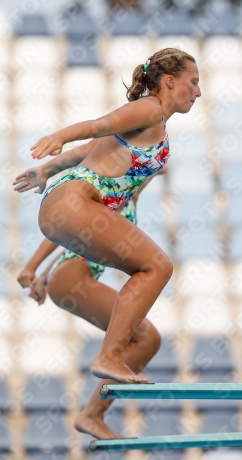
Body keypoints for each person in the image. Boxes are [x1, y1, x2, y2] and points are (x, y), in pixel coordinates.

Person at [15, 47, 201, 387]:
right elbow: (100, 125)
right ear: (171, 81)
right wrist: (58, 136)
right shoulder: (150, 108)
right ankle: (109, 356)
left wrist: (45, 170)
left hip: (64, 207)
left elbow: (90, 150)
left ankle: (106, 373)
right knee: (157, 267)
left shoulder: (151, 127)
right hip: (74, 200)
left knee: (152, 275)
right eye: (194, 82)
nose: (199, 91)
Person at [15, 142, 167, 439]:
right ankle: (92, 414)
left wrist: (44, 276)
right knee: (148, 338)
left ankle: (93, 414)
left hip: (69, 276)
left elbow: (77, 242)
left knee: (146, 340)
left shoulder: (129, 192)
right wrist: (32, 267)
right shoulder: (112, 193)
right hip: (73, 276)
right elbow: (64, 232)